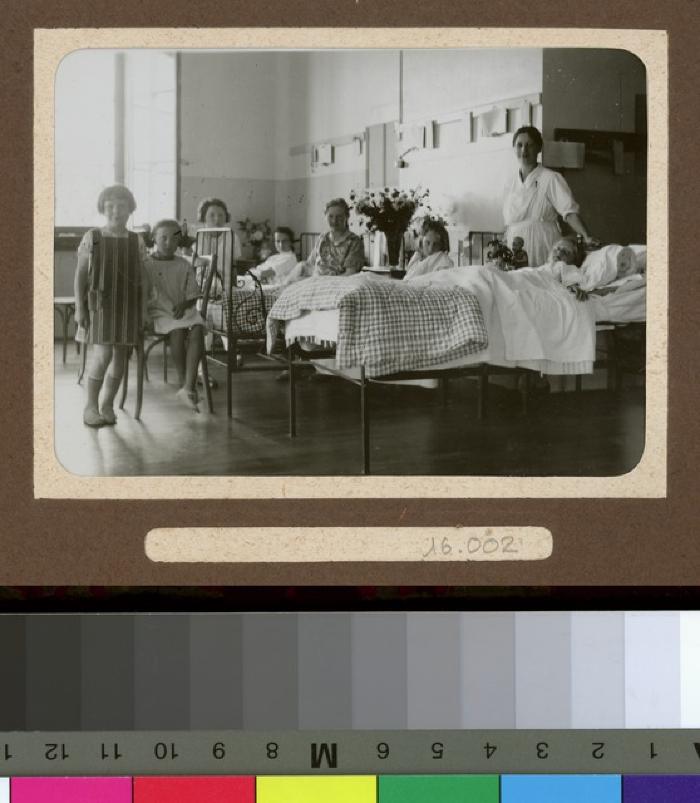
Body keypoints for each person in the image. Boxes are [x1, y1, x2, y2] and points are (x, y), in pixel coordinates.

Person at [74, 185, 148, 427]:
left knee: (120, 357)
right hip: (100, 306)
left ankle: (107, 404)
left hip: (128, 306)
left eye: (122, 206)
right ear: (103, 209)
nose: (116, 211)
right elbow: (81, 276)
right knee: (103, 354)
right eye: (110, 206)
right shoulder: (93, 237)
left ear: (130, 209)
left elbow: (143, 279)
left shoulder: (136, 240)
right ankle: (90, 406)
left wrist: (144, 311)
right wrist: (80, 308)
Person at [503, 126, 598, 267]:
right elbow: (508, 223)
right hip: (515, 247)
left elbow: (569, 212)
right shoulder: (510, 183)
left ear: (539, 148)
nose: (524, 150)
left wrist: (586, 236)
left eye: (529, 145)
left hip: (543, 246)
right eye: (519, 145)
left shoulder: (550, 178)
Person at [144, 219, 206, 411]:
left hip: (182, 308)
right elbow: (145, 293)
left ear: (180, 242)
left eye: (174, 239)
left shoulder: (184, 264)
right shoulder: (146, 263)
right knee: (178, 332)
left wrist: (185, 303)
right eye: (163, 238)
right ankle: (185, 383)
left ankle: (188, 387)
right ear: (154, 238)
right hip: (159, 311)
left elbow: (193, 294)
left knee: (197, 329)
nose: (168, 243)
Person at [281, 198, 364, 285]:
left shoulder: (354, 241)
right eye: (330, 216)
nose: (334, 221)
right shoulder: (323, 238)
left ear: (347, 217)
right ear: (325, 217)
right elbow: (310, 264)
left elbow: (350, 274)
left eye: (339, 217)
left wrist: (323, 282)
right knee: (295, 273)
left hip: (336, 284)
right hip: (315, 281)